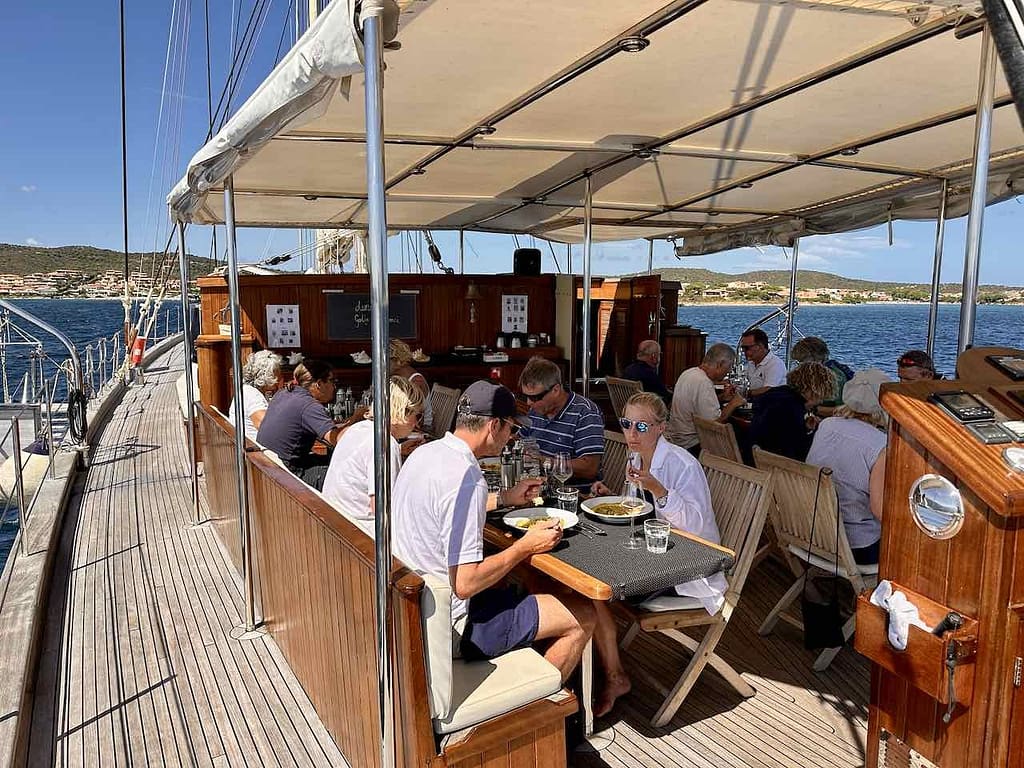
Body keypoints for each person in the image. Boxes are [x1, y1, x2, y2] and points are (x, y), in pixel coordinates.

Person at [392, 380, 595, 682]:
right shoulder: (467, 477)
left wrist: (504, 498)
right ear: (494, 425)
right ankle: (537, 712)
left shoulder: (426, 453)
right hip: (451, 627)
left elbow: (445, 508)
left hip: (414, 608)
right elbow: (466, 582)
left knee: (522, 584)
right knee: (583, 614)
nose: (511, 438)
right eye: (512, 429)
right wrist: (526, 546)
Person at [588, 391, 726, 716]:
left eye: (641, 426)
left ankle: (610, 672)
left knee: (596, 584)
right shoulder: (635, 456)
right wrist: (613, 496)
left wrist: (660, 490)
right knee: (585, 572)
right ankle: (604, 668)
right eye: (626, 424)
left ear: (661, 427)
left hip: (686, 565)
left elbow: (696, 526)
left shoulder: (682, 465)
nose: (632, 434)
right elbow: (638, 510)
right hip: (651, 555)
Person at [807, 369, 890, 565]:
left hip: (813, 533)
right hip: (857, 546)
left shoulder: (827, 425)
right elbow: (880, 511)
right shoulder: (881, 445)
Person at [322, 376, 424, 522]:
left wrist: (399, 449)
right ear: (402, 412)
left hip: (336, 518)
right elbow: (382, 509)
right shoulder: (385, 443)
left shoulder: (357, 428)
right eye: (417, 416)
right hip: (359, 528)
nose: (417, 423)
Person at [256, 359, 361, 491]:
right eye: (332, 381)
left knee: (331, 459)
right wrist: (362, 424)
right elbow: (336, 439)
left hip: (269, 467)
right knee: (349, 476)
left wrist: (352, 420)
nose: (334, 387)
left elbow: (328, 430)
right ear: (318, 384)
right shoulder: (309, 406)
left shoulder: (283, 393)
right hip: (287, 475)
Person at [518, 356, 604, 486]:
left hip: (573, 492)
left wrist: (545, 461)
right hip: (539, 486)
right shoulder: (536, 410)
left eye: (535, 397)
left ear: (556, 390)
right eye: (525, 396)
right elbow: (520, 440)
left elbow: (589, 468)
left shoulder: (585, 413)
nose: (529, 403)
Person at [666, 343, 745, 455]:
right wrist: (734, 403)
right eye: (729, 366)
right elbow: (714, 425)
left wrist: (722, 397)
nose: (729, 371)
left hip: (676, 436)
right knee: (743, 438)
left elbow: (697, 403)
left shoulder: (689, 373)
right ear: (720, 364)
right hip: (691, 444)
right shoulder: (703, 382)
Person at [747, 362, 834, 462]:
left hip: (753, 457)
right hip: (775, 466)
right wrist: (810, 432)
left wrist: (806, 427)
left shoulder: (776, 394)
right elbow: (796, 450)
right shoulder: (794, 409)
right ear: (814, 390)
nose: (821, 401)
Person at [227, 350, 284, 441]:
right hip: (256, 451)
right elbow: (267, 428)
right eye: (277, 373)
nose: (280, 377)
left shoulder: (246, 390)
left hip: (249, 446)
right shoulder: (253, 396)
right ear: (268, 375)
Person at [791, 336, 854, 406]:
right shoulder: (814, 374)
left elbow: (841, 409)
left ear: (815, 358)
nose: (799, 366)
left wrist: (813, 409)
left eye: (802, 361)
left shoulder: (834, 377)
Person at [390, 339, 433, 431]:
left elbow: (415, 416)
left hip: (419, 430)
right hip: (402, 426)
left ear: (397, 361)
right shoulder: (395, 378)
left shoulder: (416, 380)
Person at [740, 327, 787, 397]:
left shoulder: (775, 364)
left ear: (760, 346)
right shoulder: (752, 362)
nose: (744, 351)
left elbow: (768, 390)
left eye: (747, 348)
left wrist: (745, 393)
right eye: (742, 348)